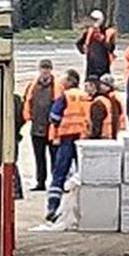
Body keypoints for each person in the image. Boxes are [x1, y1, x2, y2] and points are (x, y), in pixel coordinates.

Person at [46, 69, 88, 222]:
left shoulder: (65, 96)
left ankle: (53, 207)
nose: (61, 83)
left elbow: (54, 116)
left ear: (70, 81)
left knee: (59, 173)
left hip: (66, 138)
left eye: (64, 80)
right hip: (82, 139)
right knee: (82, 174)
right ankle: (83, 208)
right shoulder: (86, 96)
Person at [22, 58, 58, 191]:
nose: (45, 71)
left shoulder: (57, 85)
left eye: (47, 68)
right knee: (39, 157)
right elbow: (26, 102)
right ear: (39, 70)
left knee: (55, 158)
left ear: (51, 70)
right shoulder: (32, 86)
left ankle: (55, 182)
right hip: (37, 127)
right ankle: (40, 182)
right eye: (43, 68)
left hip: (52, 128)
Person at [76, 9, 116, 79]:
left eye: (95, 19)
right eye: (92, 20)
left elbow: (112, 48)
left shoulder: (107, 32)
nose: (93, 22)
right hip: (91, 64)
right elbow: (79, 43)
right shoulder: (88, 32)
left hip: (104, 64)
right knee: (90, 82)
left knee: (104, 83)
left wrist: (103, 40)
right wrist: (83, 49)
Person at [99, 73, 125, 138]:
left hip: (113, 130)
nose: (100, 86)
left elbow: (115, 115)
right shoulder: (111, 96)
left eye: (102, 84)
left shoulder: (112, 97)